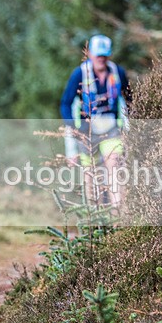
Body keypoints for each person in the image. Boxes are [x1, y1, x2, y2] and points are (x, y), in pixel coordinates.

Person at [60, 34, 131, 208]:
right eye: (98, 55)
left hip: (112, 129)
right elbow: (65, 104)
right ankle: (96, 222)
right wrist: (75, 129)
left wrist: (131, 126)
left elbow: (130, 100)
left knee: (114, 170)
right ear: (90, 54)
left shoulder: (117, 72)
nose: (101, 59)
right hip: (86, 132)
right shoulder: (79, 74)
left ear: (108, 55)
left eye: (104, 55)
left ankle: (117, 217)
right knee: (91, 178)